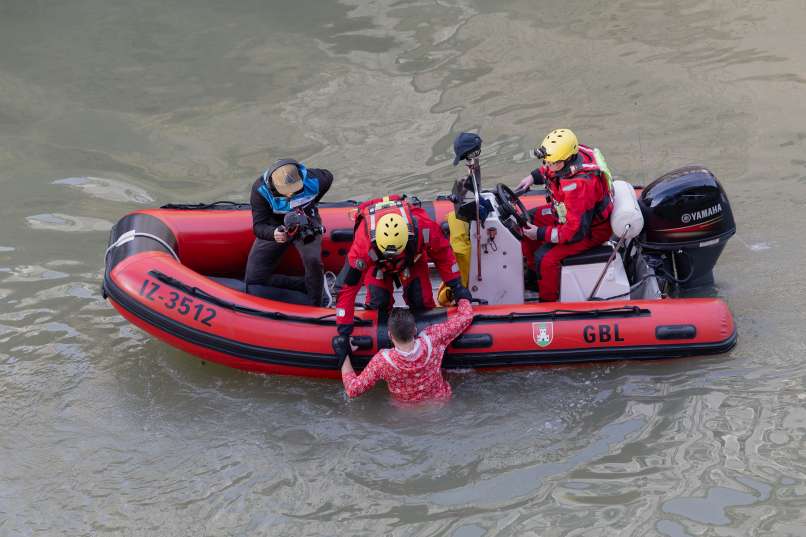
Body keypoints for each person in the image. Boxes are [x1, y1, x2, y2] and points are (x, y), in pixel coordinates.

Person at [332, 194, 472, 340]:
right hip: (378, 265)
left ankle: (425, 336)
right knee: (378, 302)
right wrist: (344, 331)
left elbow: (443, 254)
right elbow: (347, 287)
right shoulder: (363, 244)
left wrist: (456, 286)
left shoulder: (423, 227)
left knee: (421, 300)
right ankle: (384, 336)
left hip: (411, 261)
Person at [515, 128, 614, 302]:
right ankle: (533, 276)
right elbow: (550, 168)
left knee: (545, 258)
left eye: (554, 163)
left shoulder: (577, 187)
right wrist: (532, 177)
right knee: (527, 219)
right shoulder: (571, 155)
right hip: (569, 214)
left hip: (589, 230)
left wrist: (539, 233)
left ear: (567, 160)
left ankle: (548, 302)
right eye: (548, 161)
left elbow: (573, 232)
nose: (549, 166)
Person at [338, 298, 474, 402]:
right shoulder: (434, 338)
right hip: (440, 403)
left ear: (390, 335)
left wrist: (343, 352)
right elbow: (466, 317)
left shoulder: (383, 361)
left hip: (406, 413)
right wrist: (462, 298)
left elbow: (352, 390)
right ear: (415, 329)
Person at [245, 158, 333, 306]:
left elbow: (329, 176)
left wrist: (310, 207)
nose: (290, 195)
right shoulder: (260, 190)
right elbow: (258, 226)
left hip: (305, 220)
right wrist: (274, 233)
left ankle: (317, 301)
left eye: (294, 190)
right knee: (254, 278)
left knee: (313, 261)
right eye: (285, 192)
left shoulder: (317, 179)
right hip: (276, 225)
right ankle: (305, 285)